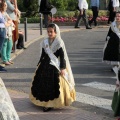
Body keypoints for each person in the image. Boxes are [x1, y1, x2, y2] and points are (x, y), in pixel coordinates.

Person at [29, 23, 76, 112]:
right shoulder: (45, 41)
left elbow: (62, 57)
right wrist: (39, 64)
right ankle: (44, 102)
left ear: (55, 32)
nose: (49, 34)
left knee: (53, 84)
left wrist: (62, 68)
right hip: (44, 64)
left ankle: (50, 104)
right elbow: (43, 54)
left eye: (51, 32)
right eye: (48, 32)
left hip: (54, 65)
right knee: (41, 82)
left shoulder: (59, 42)